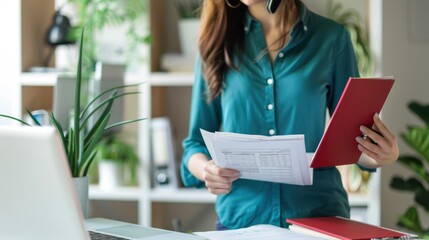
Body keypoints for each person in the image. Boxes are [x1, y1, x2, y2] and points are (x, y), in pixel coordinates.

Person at [180, 0, 399, 230]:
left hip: (319, 219)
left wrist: (381, 153)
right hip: (241, 221)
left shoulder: (331, 38)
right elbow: (194, 146)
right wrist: (207, 170)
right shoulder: (216, 41)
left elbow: (352, 140)